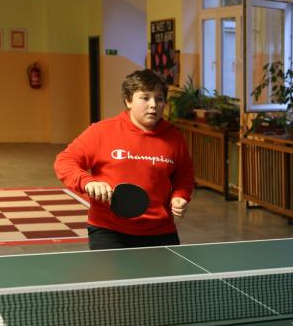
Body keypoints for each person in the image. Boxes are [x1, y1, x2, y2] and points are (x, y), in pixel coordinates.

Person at [55, 70, 194, 250]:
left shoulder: (174, 137)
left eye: (159, 99)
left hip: (160, 230)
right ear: (128, 101)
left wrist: (180, 196)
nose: (153, 105)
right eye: (145, 98)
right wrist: (87, 182)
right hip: (109, 230)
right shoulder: (101, 131)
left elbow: (184, 176)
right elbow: (65, 161)